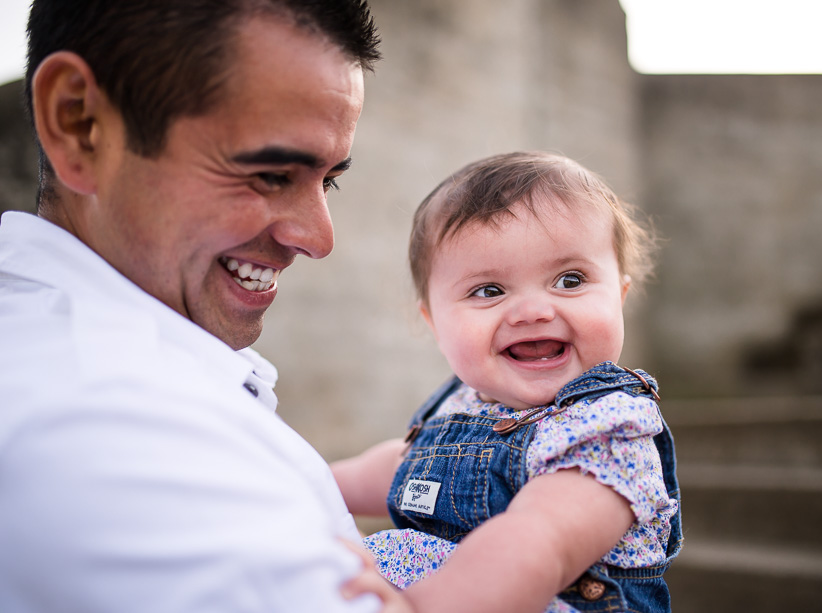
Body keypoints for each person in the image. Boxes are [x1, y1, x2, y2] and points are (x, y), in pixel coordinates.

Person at [0, 1, 411, 611]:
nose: (319, 239)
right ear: (80, 123)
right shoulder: (108, 427)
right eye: (271, 174)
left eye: (328, 181)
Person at [332, 151, 683, 613]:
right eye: (489, 291)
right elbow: (402, 466)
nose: (533, 310)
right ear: (434, 323)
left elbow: (536, 542)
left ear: (619, 296)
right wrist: (306, 482)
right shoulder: (465, 403)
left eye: (570, 279)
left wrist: (422, 607)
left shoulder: (609, 430)